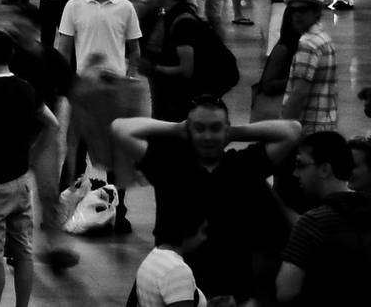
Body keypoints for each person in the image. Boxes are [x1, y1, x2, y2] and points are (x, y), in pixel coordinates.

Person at [116, 102, 300, 305]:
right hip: (175, 279)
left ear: (226, 128)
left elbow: (292, 131)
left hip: (228, 285)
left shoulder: (243, 166)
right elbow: (121, 128)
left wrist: (234, 133)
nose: (207, 136)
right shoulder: (170, 166)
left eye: (215, 128)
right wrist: (176, 128)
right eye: (199, 128)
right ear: (188, 130)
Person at [0, 30, 58, 307]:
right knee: (23, 252)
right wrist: (32, 155)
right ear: (12, 56)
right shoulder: (26, 89)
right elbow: (52, 124)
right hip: (20, 182)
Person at [56, 0, 144, 232]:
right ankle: (63, 206)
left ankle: (118, 211)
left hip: (115, 92)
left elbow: (134, 50)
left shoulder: (126, 8)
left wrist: (129, 80)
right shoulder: (73, 6)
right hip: (85, 92)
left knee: (117, 157)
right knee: (76, 152)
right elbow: (64, 50)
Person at [277, 130, 371, 305]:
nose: (295, 174)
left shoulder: (312, 223)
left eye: (301, 165)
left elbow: (285, 293)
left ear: (324, 169)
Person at [279, 0, 337, 134]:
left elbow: (299, 93)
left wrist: (282, 129)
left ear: (317, 12)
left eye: (303, 10)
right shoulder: (324, 38)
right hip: (325, 124)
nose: (297, 14)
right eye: (293, 10)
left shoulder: (308, 44)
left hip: (307, 128)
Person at [134, 215, 210, 307]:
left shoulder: (154, 256)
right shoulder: (178, 270)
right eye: (202, 231)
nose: (204, 238)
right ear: (188, 232)